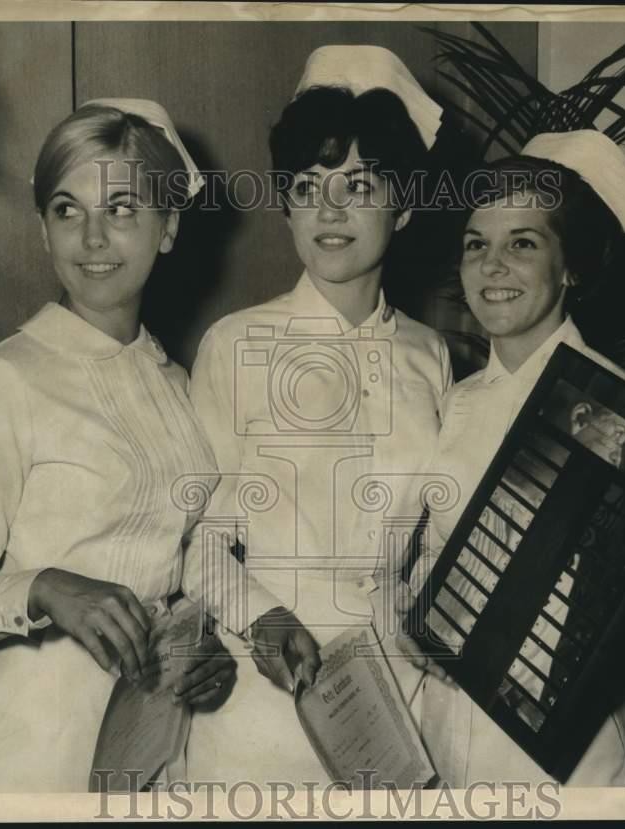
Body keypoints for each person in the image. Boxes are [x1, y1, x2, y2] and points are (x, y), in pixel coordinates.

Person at [0, 99, 317, 793]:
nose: (92, 238)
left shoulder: (176, 386)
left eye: (121, 209)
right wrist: (45, 586)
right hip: (26, 748)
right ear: (42, 228)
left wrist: (218, 632)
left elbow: (180, 558)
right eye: (67, 210)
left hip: (149, 742)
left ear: (169, 226)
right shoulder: (4, 381)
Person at [396, 129, 625, 786]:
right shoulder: (451, 402)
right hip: (444, 741)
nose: (492, 267)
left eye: (523, 243)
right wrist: (414, 625)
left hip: (567, 763)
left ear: (571, 265)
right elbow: (427, 562)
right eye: (476, 245)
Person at [183, 46, 452, 787]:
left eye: (359, 184)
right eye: (308, 186)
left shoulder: (433, 357)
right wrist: (263, 616)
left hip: (400, 713)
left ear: (403, 205)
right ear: (286, 202)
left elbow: (433, 539)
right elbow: (196, 541)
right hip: (261, 713)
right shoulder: (236, 345)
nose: (330, 210)